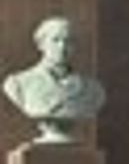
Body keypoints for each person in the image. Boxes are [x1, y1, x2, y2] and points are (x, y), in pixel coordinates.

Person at [3, 14, 107, 142]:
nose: (62, 47)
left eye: (68, 41)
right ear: (41, 44)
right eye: (56, 40)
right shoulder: (18, 83)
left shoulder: (93, 89)